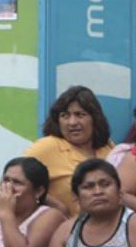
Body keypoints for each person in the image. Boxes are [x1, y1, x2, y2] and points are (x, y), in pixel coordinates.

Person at [25, 86, 115, 214]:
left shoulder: (108, 148)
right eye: (65, 116)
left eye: (80, 115)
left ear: (95, 118)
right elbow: (14, 183)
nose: (72, 122)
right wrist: (59, 208)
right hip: (62, 231)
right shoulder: (47, 146)